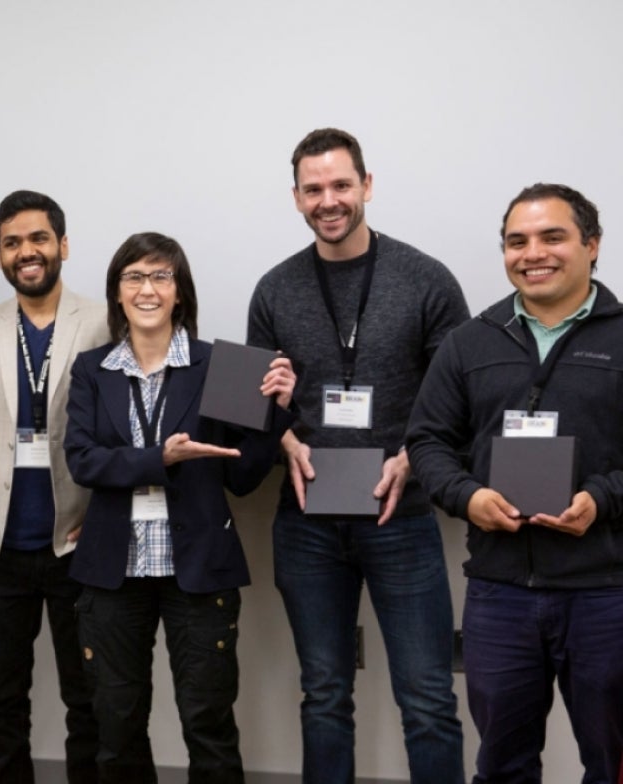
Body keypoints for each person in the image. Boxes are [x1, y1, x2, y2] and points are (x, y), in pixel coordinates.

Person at [246, 128, 466, 783]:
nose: (329, 200)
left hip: (401, 515)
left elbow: (458, 399)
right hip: (307, 520)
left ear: (366, 186)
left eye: (341, 185)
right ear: (296, 198)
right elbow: (261, 402)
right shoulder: (274, 289)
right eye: (313, 189)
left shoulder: (427, 280)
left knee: (428, 700)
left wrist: (411, 456)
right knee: (323, 697)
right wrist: (283, 437)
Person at [407, 183, 623, 783]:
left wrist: (602, 499)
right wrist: (467, 497)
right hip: (501, 593)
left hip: (606, 592)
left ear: (592, 245)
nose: (534, 253)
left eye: (553, 237)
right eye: (517, 241)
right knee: (502, 764)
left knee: (613, 763)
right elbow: (426, 441)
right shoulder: (469, 342)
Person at [65, 232, 296, 782]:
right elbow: (83, 461)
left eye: (161, 277)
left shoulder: (221, 365)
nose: (148, 289)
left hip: (198, 569)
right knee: (116, 726)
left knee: (208, 723)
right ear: (116, 294)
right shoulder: (92, 370)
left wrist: (277, 416)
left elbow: (241, 476)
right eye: (134, 277)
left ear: (180, 293)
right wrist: (159, 458)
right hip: (113, 573)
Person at [0, 189, 109, 784]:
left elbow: (125, 429)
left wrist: (109, 520)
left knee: (89, 701)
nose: (26, 252)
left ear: (62, 244)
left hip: (77, 545)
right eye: (12, 243)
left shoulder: (105, 322)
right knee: (1, 702)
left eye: (37, 239)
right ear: (0, 255)